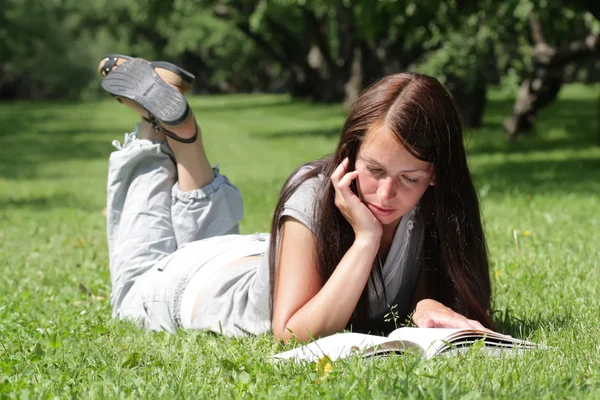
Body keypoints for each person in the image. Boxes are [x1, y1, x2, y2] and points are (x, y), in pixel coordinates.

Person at [100, 55, 493, 343]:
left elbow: (418, 286)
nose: (387, 193)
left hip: (253, 259)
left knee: (201, 244)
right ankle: (154, 133)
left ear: (436, 173)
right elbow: (291, 332)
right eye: (374, 171)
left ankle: (180, 130)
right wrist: (367, 238)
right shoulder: (312, 193)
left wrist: (425, 305)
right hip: (191, 287)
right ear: (351, 151)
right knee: (132, 289)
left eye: (410, 178)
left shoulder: (433, 206)